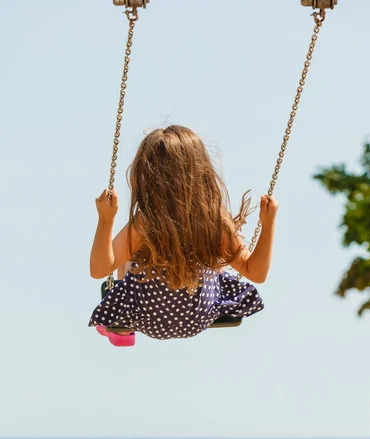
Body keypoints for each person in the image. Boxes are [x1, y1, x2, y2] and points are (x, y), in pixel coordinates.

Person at [89, 125, 278, 346]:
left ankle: (122, 330)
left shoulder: (145, 223)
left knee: (130, 254)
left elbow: (99, 270)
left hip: (147, 318)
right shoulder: (213, 220)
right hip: (199, 317)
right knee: (209, 254)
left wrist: (106, 219)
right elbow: (257, 273)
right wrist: (268, 224)